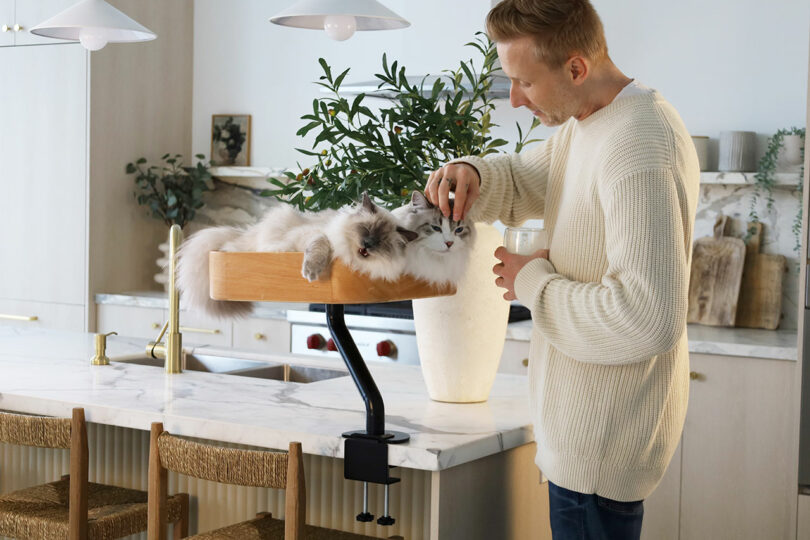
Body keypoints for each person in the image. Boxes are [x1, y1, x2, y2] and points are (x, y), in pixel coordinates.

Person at [424, 0, 700, 538]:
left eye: (524, 82)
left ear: (576, 68)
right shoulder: (589, 124)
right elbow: (527, 178)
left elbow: (647, 317)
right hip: (583, 443)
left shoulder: (639, 142)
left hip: (600, 453)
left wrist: (531, 282)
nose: (515, 98)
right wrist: (472, 171)